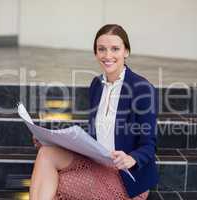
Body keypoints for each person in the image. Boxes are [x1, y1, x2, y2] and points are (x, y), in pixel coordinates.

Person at [30, 24, 158, 200]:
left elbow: (149, 145)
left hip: (126, 176)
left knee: (58, 182)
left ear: (126, 51)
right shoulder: (96, 84)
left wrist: (131, 158)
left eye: (115, 49)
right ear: (96, 53)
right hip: (99, 162)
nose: (107, 55)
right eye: (101, 49)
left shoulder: (142, 88)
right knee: (46, 153)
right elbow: (95, 136)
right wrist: (52, 139)